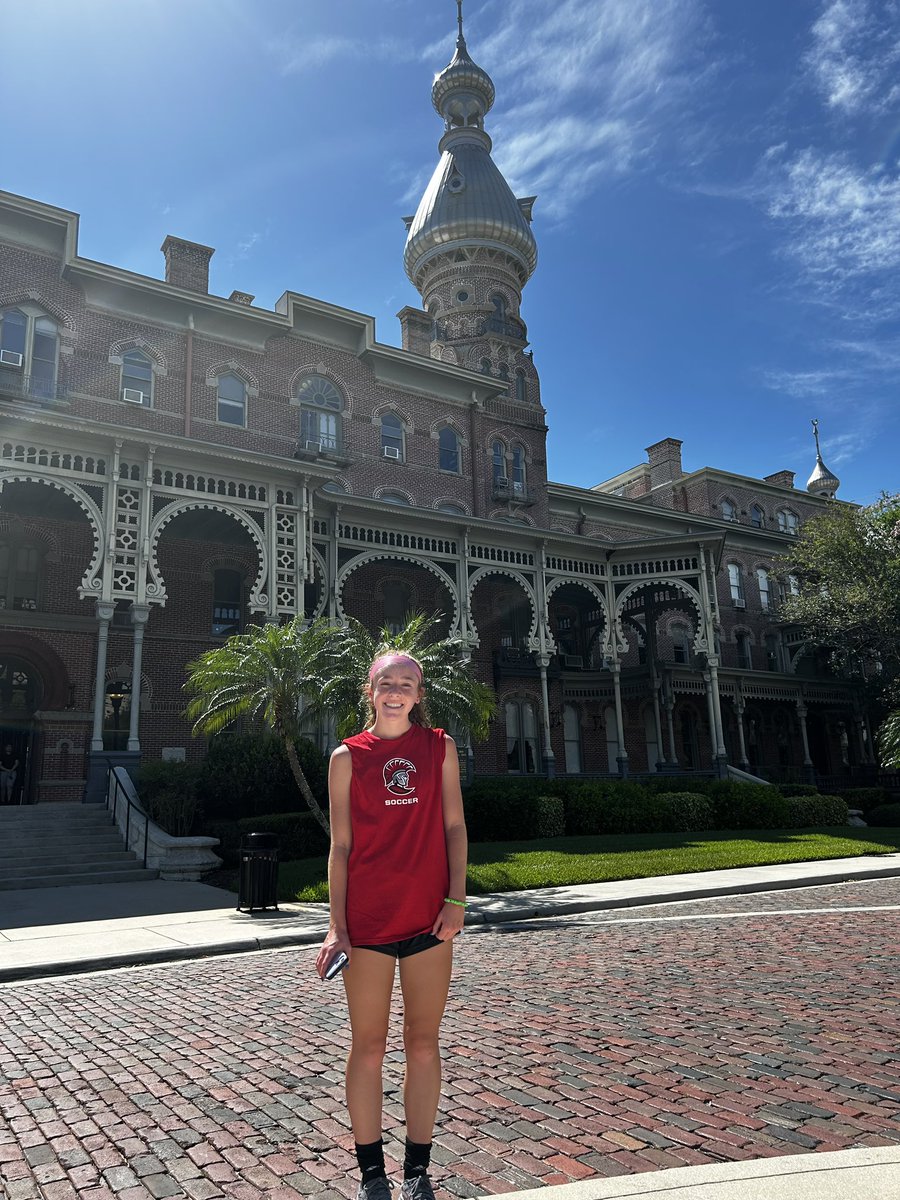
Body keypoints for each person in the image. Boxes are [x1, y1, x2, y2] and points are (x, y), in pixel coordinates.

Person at [315, 652, 468, 1200]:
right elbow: (340, 847)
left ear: (419, 694)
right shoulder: (346, 757)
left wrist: (456, 899)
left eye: (407, 683)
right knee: (369, 1047)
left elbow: (454, 826)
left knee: (423, 1044)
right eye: (386, 683)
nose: (396, 691)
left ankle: (417, 1172)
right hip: (368, 925)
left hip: (429, 920)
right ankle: (372, 1176)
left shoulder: (439, 748)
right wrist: (337, 927)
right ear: (370, 691)